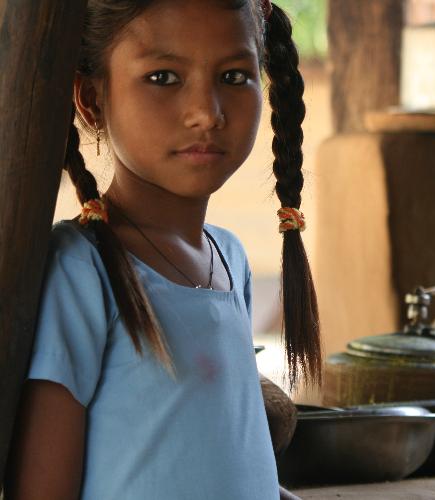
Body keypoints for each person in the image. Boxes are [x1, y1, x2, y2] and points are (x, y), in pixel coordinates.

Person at [4, 1, 320, 499]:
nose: (206, 113)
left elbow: (218, 460)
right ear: (91, 98)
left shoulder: (229, 261)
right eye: (164, 77)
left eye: (234, 76)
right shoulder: (82, 270)